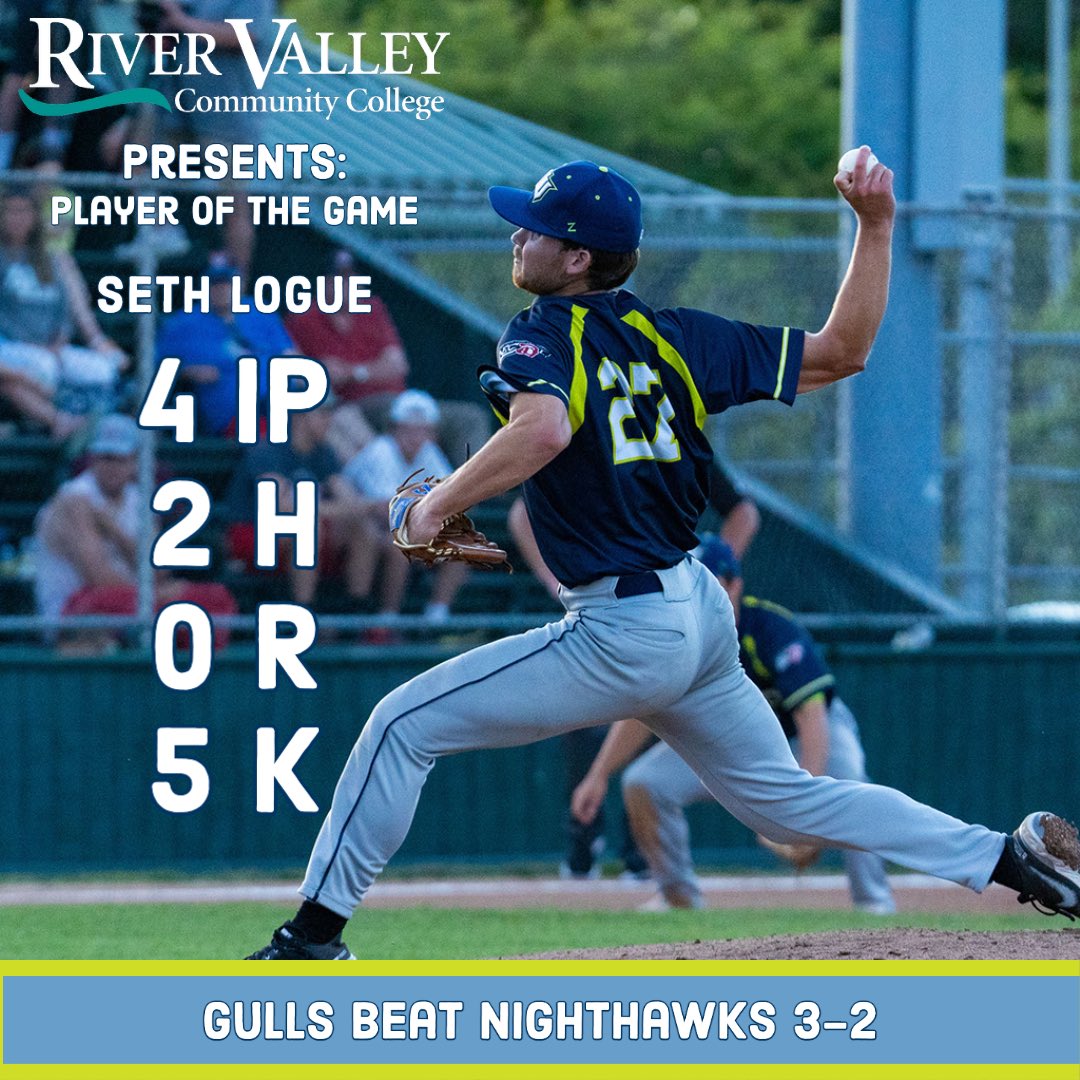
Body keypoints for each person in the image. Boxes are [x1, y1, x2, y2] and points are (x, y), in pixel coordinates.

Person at [245, 154, 1080, 960]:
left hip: (623, 626)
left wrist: (432, 504)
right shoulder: (676, 335)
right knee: (788, 806)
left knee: (398, 725)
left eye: (534, 230)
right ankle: (1012, 860)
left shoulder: (540, 330)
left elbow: (541, 428)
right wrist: (877, 225)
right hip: (700, 612)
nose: (517, 239)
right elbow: (844, 350)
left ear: (576, 258)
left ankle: (309, 941)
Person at [571, 536, 896, 914]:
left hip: (803, 736)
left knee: (851, 782)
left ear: (734, 585)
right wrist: (598, 774)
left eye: (709, 583)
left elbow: (812, 715)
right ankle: (679, 901)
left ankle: (874, 901)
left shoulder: (769, 627)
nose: (699, 595)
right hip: (733, 741)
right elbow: (642, 715)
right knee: (646, 782)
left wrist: (804, 808)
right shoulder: (680, 641)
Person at [507, 458, 759, 880]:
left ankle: (638, 851)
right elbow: (520, 511)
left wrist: (711, 574)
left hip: (658, 607)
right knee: (583, 724)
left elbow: (744, 512)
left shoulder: (672, 430)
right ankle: (584, 844)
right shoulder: (590, 428)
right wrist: (555, 581)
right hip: (598, 599)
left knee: (648, 722)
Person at [33, 413, 236, 652]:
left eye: (120, 459)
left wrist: (112, 528)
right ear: (92, 459)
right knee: (113, 605)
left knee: (217, 600)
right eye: (105, 458)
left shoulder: (139, 501)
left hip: (134, 601)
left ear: (134, 461)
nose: (111, 467)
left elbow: (157, 571)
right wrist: (158, 593)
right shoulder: (74, 500)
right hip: (76, 611)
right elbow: (99, 581)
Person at [285, 249, 492, 468]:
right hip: (352, 406)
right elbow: (300, 371)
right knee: (392, 429)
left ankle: (474, 494)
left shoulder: (372, 308)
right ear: (324, 283)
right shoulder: (304, 318)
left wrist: (352, 372)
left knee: (471, 417)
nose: (348, 285)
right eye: (339, 279)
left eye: (351, 278)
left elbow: (398, 365)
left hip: (400, 400)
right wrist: (330, 372)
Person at [224, 395, 375, 610]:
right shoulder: (267, 449)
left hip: (307, 535)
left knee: (363, 528)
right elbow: (282, 506)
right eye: (322, 414)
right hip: (254, 534)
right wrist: (346, 509)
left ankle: (358, 615)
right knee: (306, 527)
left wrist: (360, 508)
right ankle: (304, 611)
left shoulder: (325, 453)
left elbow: (352, 501)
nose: (329, 420)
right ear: (299, 417)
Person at [342, 389, 470, 633]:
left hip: (404, 527)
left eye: (422, 429)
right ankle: (386, 621)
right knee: (400, 545)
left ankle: (436, 617)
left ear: (432, 434)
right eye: (408, 429)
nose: (415, 436)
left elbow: (449, 502)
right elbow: (385, 510)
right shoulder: (381, 450)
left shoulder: (429, 453)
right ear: (394, 429)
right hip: (359, 530)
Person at [157, 252, 296, 437]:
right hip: (234, 410)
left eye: (227, 282)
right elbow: (152, 366)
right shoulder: (183, 323)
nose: (221, 289)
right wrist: (186, 372)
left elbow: (290, 353)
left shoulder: (260, 312)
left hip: (280, 400)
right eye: (215, 284)